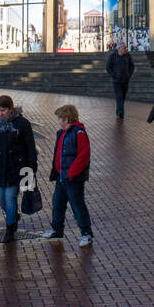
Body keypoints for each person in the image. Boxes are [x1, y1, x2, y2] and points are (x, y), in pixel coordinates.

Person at [0, 94, 38, 243]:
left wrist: (31, 168)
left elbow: (30, 147)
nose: (0, 114)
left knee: (10, 198)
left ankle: (10, 228)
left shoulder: (22, 124)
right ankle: (13, 216)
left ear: (11, 109)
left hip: (16, 167)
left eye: (3, 110)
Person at [41, 104, 94, 247]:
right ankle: (56, 229)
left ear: (68, 118)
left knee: (77, 205)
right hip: (62, 176)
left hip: (72, 177)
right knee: (57, 203)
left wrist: (72, 172)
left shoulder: (78, 133)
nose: (59, 121)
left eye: (60, 118)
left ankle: (86, 234)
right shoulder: (61, 133)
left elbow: (84, 154)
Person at [106, 42, 135, 118]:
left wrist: (129, 74)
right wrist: (113, 75)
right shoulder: (113, 56)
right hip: (117, 81)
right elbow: (108, 67)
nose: (126, 49)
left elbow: (132, 66)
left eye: (126, 48)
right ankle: (121, 113)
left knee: (123, 97)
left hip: (125, 80)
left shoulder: (128, 56)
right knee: (119, 97)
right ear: (119, 49)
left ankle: (118, 110)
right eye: (124, 48)